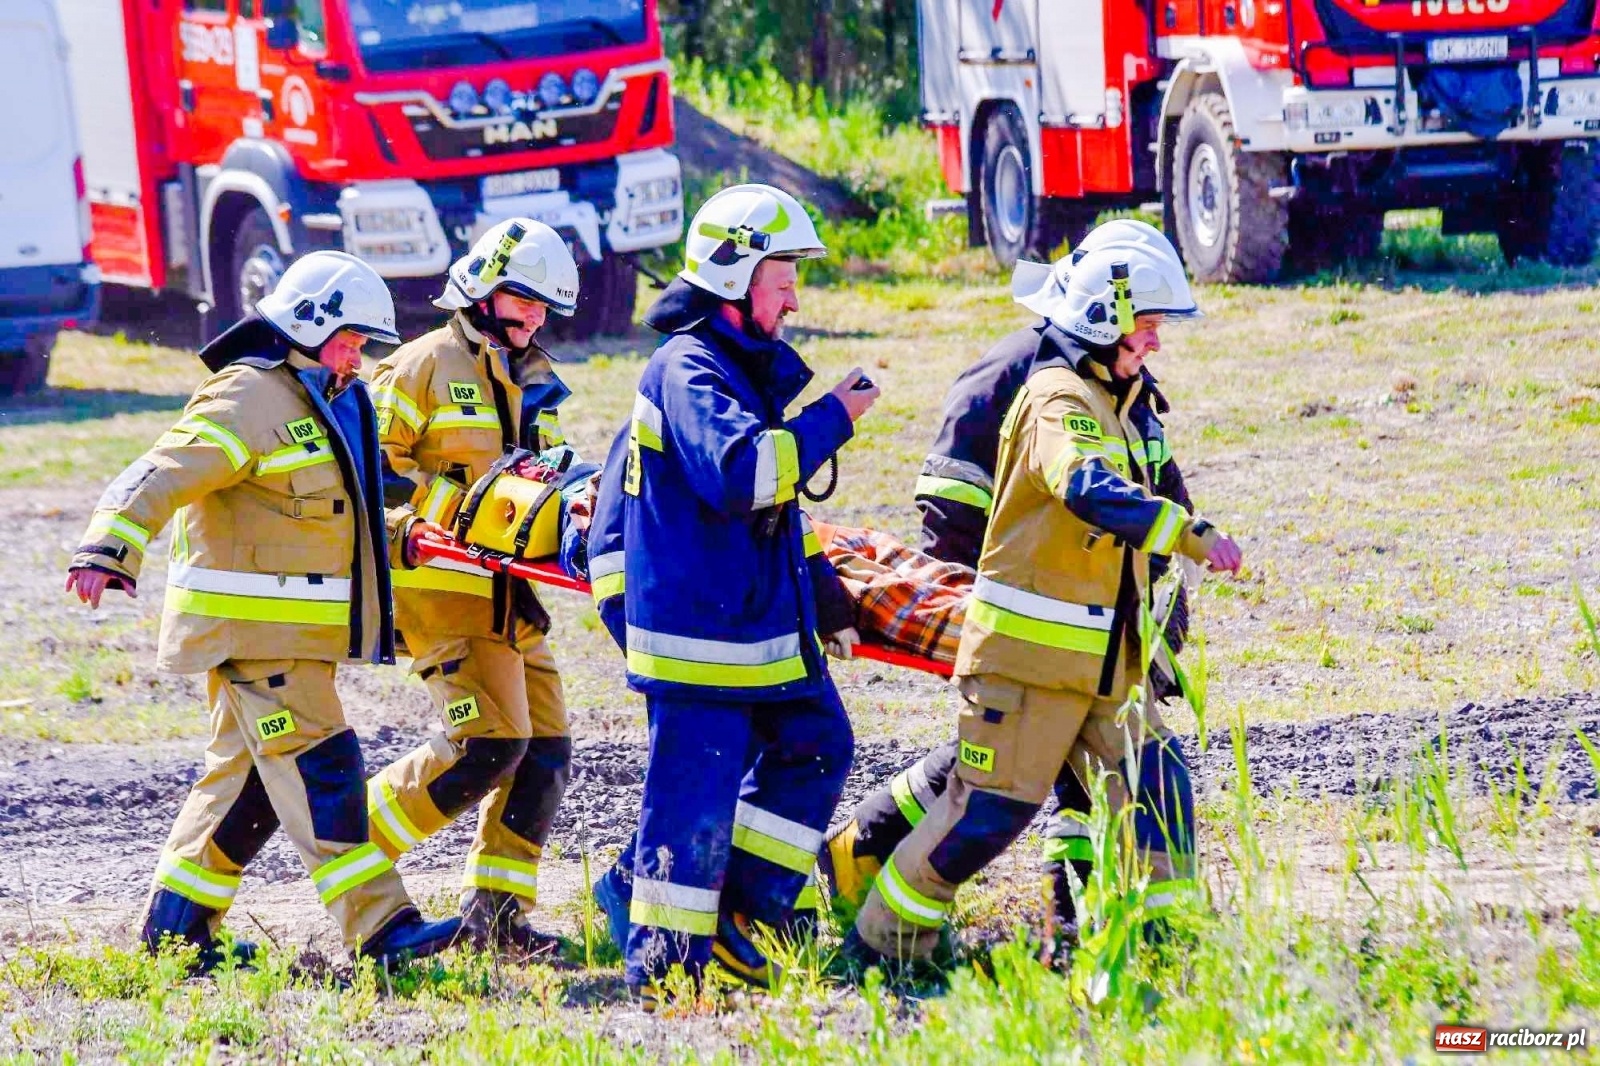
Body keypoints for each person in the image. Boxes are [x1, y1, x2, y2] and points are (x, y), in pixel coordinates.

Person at [847, 240, 1243, 966]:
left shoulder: (1117, 399)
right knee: (988, 813)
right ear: (1101, 319)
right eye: (1146, 324)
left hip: (1096, 666)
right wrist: (1190, 535)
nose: (1156, 339)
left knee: (1160, 789)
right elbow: (1085, 486)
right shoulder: (1058, 397)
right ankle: (886, 944)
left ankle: (1161, 948)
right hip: (1028, 665)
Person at [66, 252, 461, 971]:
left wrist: (407, 536)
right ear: (307, 323)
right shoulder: (247, 396)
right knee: (325, 771)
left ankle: (175, 933)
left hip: (295, 634)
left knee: (243, 782)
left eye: (365, 343)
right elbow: (163, 469)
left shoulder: (338, 398)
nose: (358, 355)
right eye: (348, 338)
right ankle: (382, 928)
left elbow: (356, 509)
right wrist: (109, 546)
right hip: (256, 634)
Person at [585, 183, 878, 999]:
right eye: (782, 283)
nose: (792, 302)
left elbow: (778, 509)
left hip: (753, 627)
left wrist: (822, 591)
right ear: (734, 278)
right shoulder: (686, 368)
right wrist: (834, 418)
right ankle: (667, 972)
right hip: (702, 639)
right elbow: (746, 475)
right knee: (692, 800)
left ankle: (741, 915)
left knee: (818, 743)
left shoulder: (735, 369)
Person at [365, 219, 580, 958]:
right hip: (443, 595)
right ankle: (348, 851)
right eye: (526, 302)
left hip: (512, 598)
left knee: (545, 751)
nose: (535, 319)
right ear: (485, 291)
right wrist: (419, 520)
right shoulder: (419, 367)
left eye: (546, 309)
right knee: (487, 747)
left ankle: (497, 920)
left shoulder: (528, 375)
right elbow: (364, 475)